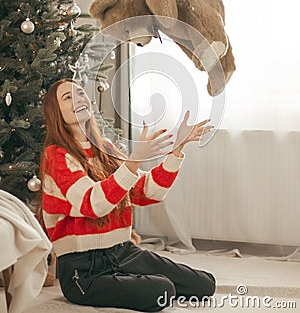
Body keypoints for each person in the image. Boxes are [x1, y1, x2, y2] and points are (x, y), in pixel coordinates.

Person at [40, 78, 216, 311]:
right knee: (162, 291)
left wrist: (176, 150)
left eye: (80, 93)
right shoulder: (56, 156)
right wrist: (133, 163)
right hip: (83, 268)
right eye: (68, 97)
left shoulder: (105, 149)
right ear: (56, 112)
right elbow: (92, 204)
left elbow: (148, 193)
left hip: (123, 251)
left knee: (204, 285)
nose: (78, 99)